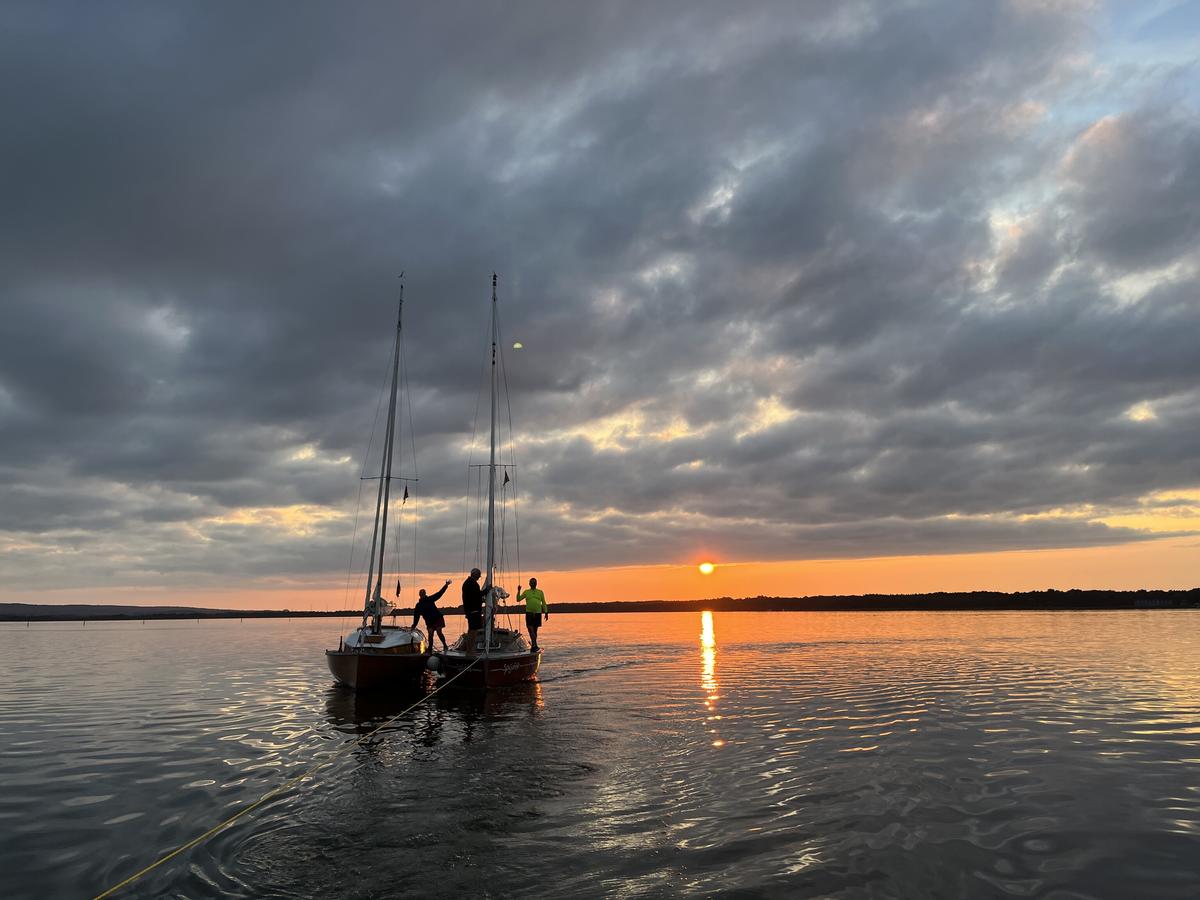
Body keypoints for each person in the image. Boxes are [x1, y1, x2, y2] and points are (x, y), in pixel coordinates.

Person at [411, 579, 452, 652]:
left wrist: (446, 586)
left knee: (439, 632)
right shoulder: (418, 606)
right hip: (429, 622)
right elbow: (416, 616)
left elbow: (439, 594)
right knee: (430, 634)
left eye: (423, 594)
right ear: (420, 595)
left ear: (425, 594)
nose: (423, 595)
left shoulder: (430, 599)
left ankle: (445, 645)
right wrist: (414, 625)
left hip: (437, 618)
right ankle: (430, 648)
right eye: (421, 594)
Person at [517, 577, 549, 652]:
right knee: (530, 629)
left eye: (534, 582)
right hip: (529, 613)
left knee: (535, 631)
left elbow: (543, 603)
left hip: (538, 613)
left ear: (536, 583)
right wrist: (518, 591)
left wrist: (546, 612)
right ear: (529, 584)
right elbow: (518, 599)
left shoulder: (540, 592)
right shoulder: (526, 592)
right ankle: (535, 645)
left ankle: (534, 646)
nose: (533, 583)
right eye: (531, 582)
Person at [461, 567, 487, 631]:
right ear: (474, 574)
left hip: (470, 611)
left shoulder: (468, 582)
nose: (479, 577)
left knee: (473, 630)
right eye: (478, 575)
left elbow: (473, 596)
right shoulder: (472, 583)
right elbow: (477, 594)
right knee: (473, 631)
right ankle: (470, 641)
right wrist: (487, 590)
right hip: (473, 611)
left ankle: (470, 641)